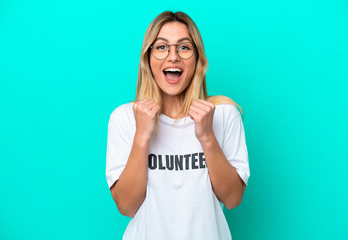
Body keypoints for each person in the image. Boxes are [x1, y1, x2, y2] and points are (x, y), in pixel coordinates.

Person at [105, 11, 250, 240]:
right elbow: (127, 206)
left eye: (184, 47)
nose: (173, 57)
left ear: (197, 59)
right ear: (148, 58)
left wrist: (207, 137)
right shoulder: (124, 118)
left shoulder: (224, 114)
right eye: (162, 47)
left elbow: (233, 199)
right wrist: (142, 136)